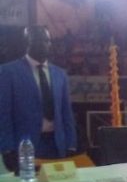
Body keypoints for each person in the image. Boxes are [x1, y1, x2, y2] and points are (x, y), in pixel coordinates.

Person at [0, 25, 77, 171]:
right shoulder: (8, 72)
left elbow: (66, 113)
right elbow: (3, 114)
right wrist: (7, 148)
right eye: (39, 40)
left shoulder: (60, 74)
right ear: (27, 42)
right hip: (24, 147)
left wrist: (71, 144)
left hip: (57, 144)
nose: (44, 44)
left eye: (47, 40)